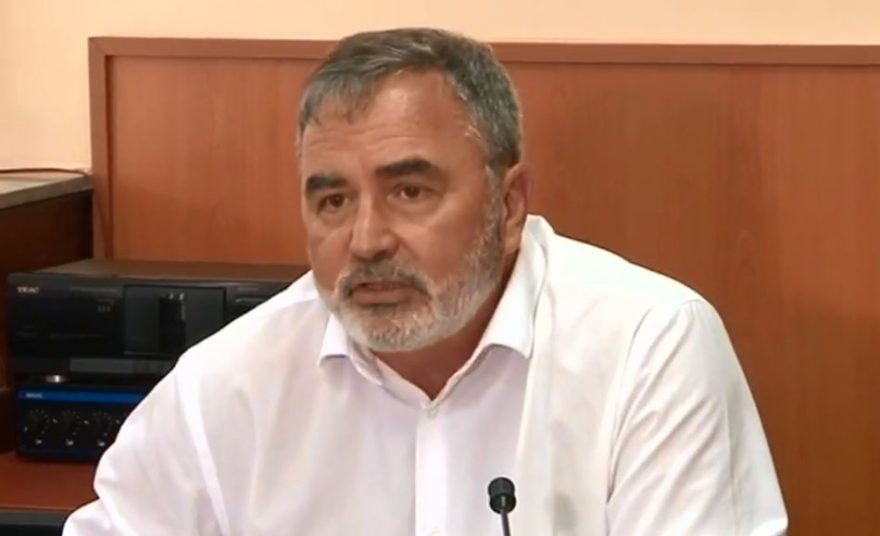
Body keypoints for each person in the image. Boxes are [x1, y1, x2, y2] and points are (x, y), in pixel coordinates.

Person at [64, 28, 787, 535]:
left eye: (409, 192)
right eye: (332, 201)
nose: (366, 241)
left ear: (509, 206)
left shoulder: (648, 348)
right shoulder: (228, 383)